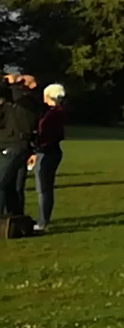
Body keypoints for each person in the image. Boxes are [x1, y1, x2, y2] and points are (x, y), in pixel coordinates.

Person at [0, 71, 40, 226]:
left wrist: (15, 82)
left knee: (2, 183)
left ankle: (10, 219)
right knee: (12, 187)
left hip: (16, 147)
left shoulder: (29, 102)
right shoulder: (11, 106)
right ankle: (14, 221)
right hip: (10, 145)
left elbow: (21, 98)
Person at [28, 83, 66, 233]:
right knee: (45, 188)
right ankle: (43, 219)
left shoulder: (52, 115)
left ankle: (42, 222)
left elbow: (44, 135)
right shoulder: (58, 113)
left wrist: (34, 146)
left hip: (46, 152)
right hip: (52, 151)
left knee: (43, 189)